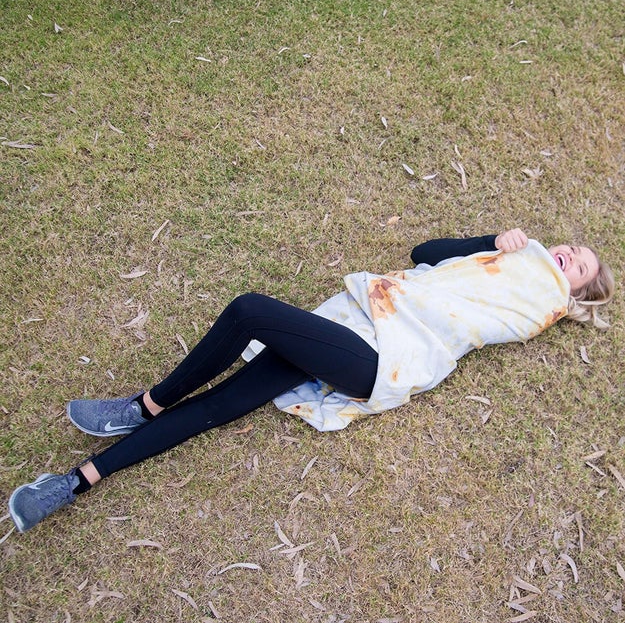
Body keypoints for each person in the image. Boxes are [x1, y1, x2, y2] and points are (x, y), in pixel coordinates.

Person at [7, 228, 614, 532]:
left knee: (249, 310)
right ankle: (74, 483)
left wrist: (523, 263)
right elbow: (423, 250)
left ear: (574, 293)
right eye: (570, 247)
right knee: (221, 407)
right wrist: (493, 241)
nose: (568, 255)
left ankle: (146, 404)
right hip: (358, 328)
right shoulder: (500, 260)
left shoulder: (537, 303)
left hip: (385, 356)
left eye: (579, 266)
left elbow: (495, 304)